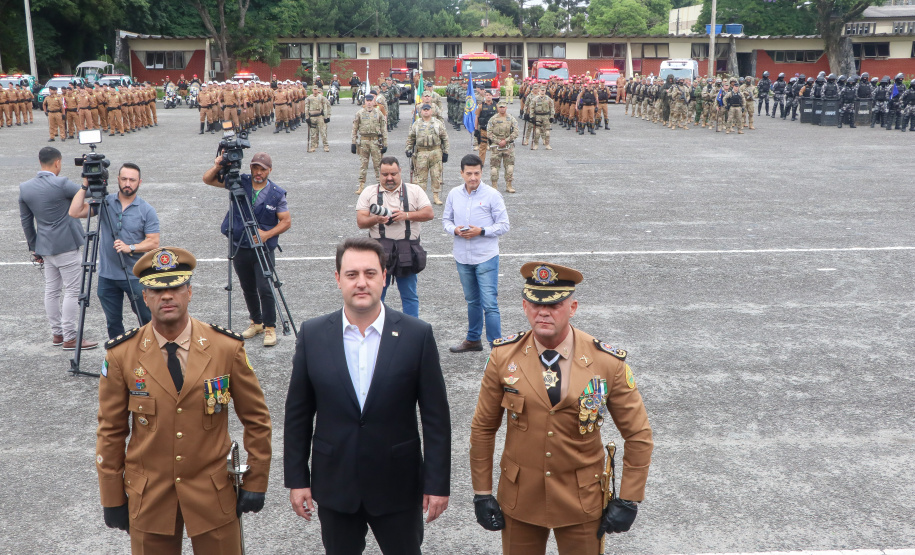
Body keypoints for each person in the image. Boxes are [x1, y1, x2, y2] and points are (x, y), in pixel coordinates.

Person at [95, 246, 272, 554]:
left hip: (213, 493)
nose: (167, 296)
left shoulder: (225, 347)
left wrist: (255, 479)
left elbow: (256, 419)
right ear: (145, 296)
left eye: (175, 288)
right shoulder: (121, 354)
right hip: (149, 496)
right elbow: (110, 431)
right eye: (157, 290)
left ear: (189, 291)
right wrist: (112, 497)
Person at [468, 261, 654, 555]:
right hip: (521, 497)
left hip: (582, 499)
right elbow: (483, 428)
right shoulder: (503, 357)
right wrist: (482, 493)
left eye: (554, 305)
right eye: (534, 303)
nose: (543, 311)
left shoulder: (606, 362)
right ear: (525, 306)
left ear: (573, 307)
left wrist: (629, 498)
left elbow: (639, 434)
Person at [284, 237, 451, 555]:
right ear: (337, 279)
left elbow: (436, 419)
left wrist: (437, 483)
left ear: (384, 277)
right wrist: (297, 478)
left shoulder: (417, 335)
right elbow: (298, 415)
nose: (361, 283)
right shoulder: (313, 334)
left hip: (398, 486)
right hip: (335, 485)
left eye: (370, 273)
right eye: (351, 274)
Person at [202, 152, 291, 347]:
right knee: (247, 287)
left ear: (270, 170)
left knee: (265, 288)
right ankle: (256, 322)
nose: (258, 173)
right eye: (255, 168)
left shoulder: (277, 193)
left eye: (263, 169)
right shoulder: (239, 182)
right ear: (250, 168)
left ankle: (270, 327)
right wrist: (218, 165)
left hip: (262, 247)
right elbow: (207, 180)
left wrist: (267, 234)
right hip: (240, 243)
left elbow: (286, 221)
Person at [19, 147, 99, 350]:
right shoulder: (61, 183)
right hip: (66, 245)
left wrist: (34, 247)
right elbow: (89, 192)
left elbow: (26, 222)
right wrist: (92, 178)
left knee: (52, 291)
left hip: (45, 247)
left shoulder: (25, 187)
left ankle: (57, 333)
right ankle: (71, 337)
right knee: (72, 290)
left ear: (40, 162)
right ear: (57, 163)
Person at [69, 163, 160, 340]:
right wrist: (85, 185)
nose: (128, 183)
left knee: (147, 319)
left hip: (135, 275)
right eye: (124, 179)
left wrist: (131, 247)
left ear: (139, 182)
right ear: (117, 179)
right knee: (113, 323)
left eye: (132, 180)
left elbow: (154, 242)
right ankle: (119, 357)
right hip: (108, 276)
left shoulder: (146, 210)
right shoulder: (105, 202)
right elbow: (75, 211)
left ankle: (152, 352)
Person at [442, 154, 510, 353]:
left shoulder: (492, 195)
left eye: (477, 173)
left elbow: (504, 225)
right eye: (469, 173)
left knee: (489, 303)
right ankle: (473, 339)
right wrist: (454, 230)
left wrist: (481, 231)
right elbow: (446, 220)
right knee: (472, 300)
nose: (473, 177)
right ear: (461, 173)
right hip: (462, 256)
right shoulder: (454, 194)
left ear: (482, 172)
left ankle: (497, 347)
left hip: (486, 256)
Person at [356, 157, 433, 319]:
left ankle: (413, 331)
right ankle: (374, 328)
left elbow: (429, 213)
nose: (389, 178)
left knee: (409, 296)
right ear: (379, 174)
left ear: (400, 172)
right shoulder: (369, 192)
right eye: (385, 174)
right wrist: (376, 219)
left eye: (393, 174)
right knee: (376, 295)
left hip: (407, 251)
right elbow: (361, 222)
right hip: (378, 251)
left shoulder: (414, 190)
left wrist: (405, 215)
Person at [405, 103, 449, 205]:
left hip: (436, 152)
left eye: (427, 110)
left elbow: (445, 138)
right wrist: (408, 149)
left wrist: (446, 152)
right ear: (420, 112)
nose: (425, 111)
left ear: (431, 111)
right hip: (421, 153)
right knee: (421, 177)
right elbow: (411, 138)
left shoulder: (438, 123)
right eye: (424, 110)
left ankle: (436, 197)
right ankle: (422, 198)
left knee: (436, 175)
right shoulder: (416, 124)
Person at [351, 93, 388, 195]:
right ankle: (361, 185)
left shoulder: (378, 113)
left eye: (371, 101)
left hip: (376, 142)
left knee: (378, 165)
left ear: (374, 102)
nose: (369, 103)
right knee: (363, 164)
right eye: (367, 101)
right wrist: (353, 143)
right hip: (364, 142)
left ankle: (381, 185)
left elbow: (383, 129)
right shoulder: (360, 113)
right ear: (365, 102)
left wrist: (385, 143)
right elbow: (355, 129)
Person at [485, 100, 519, 193]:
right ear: (497, 108)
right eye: (500, 107)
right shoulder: (493, 119)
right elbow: (489, 132)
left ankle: (509, 185)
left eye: (503, 107)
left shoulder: (511, 118)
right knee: (494, 168)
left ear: (506, 108)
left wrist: (506, 140)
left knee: (510, 167)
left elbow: (516, 131)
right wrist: (498, 141)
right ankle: (494, 186)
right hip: (496, 146)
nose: (502, 109)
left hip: (508, 146)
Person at [305, 84, 332, 152]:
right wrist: (307, 117)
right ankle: (313, 146)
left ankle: (325, 146)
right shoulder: (309, 98)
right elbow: (306, 107)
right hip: (312, 117)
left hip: (320, 116)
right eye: (314, 89)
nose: (315, 91)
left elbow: (326, 106)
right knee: (313, 133)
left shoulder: (321, 97)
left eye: (316, 89)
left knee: (323, 132)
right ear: (312, 90)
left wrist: (326, 116)